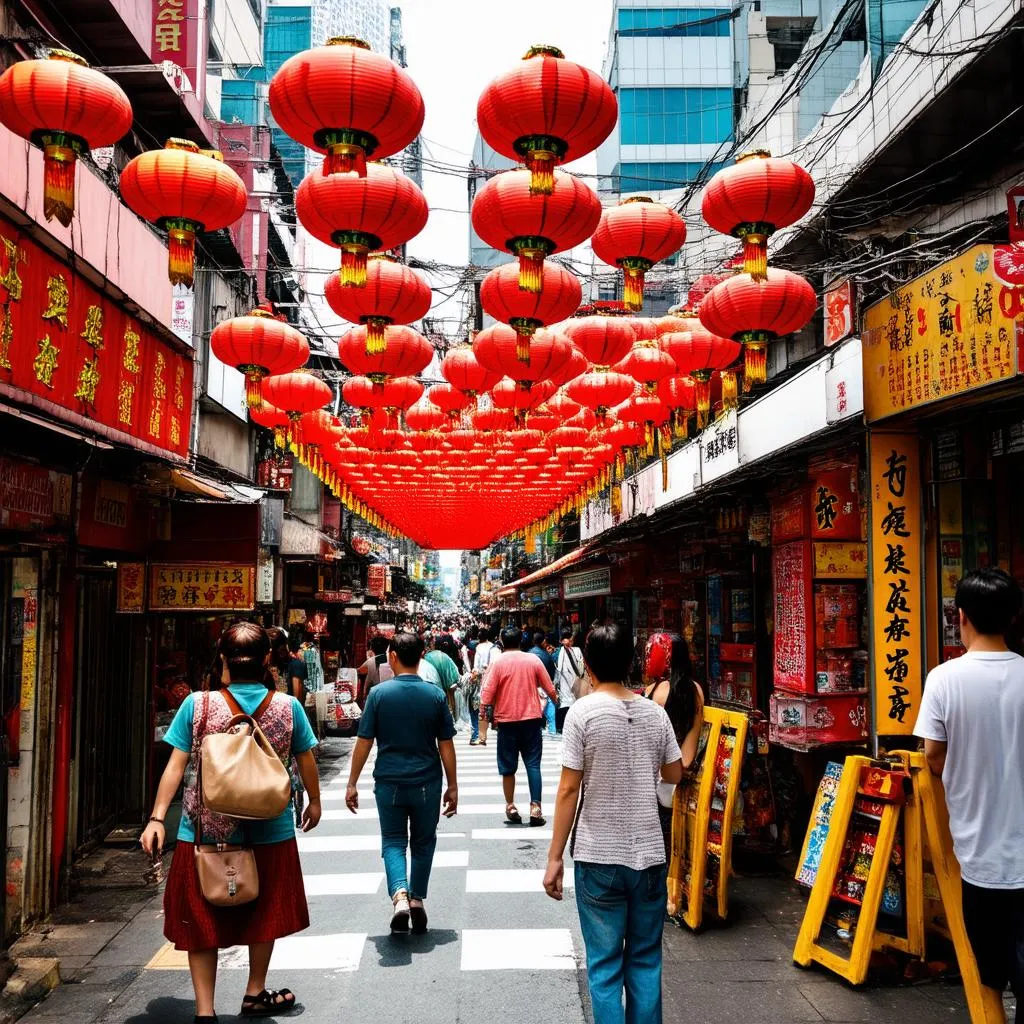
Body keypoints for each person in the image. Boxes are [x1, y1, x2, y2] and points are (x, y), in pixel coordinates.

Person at [141, 622, 321, 1023]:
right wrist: (314, 802)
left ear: (222, 658)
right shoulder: (287, 707)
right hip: (270, 829)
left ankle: (205, 1011)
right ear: (268, 660)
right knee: (265, 912)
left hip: (205, 832)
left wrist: (157, 818)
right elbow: (305, 758)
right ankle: (255, 992)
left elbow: (176, 765)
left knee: (200, 921)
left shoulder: (198, 705)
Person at [544, 623, 683, 1024]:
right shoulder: (654, 714)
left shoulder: (582, 714)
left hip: (598, 856)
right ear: (631, 663)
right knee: (644, 961)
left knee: (604, 967)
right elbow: (674, 773)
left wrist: (554, 858)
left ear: (588, 666)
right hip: (649, 856)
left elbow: (569, 789)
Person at [914, 568, 1024, 1014]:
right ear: (1013, 617)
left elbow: (934, 756)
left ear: (960, 616)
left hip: (979, 857)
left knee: (990, 980)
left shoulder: (944, 679)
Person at [346, 632, 458, 934]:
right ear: (421, 657)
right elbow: (446, 744)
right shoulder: (434, 695)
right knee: (423, 842)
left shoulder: (379, 695)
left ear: (392, 657)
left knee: (393, 842)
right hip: (427, 782)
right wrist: (453, 786)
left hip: (389, 782)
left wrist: (352, 782)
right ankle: (417, 898)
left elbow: (364, 742)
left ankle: (399, 898)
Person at [480, 627, 557, 826]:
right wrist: (556, 701)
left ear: (502, 642)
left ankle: (511, 805)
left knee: (508, 767)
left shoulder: (497, 663)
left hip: (506, 722)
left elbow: (487, 694)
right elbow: (549, 687)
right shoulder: (533, 660)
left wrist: (482, 715)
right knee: (533, 764)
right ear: (522, 641)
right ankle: (536, 807)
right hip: (531, 720)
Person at [643, 632, 705, 860]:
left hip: (651, 786)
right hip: (679, 782)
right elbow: (688, 755)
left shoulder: (653, 692)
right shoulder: (695, 691)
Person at [554, 628, 586, 732]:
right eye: (567, 638)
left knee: (573, 703)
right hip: (563, 683)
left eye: (570, 638)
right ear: (562, 641)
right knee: (565, 704)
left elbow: (581, 666)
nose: (570, 640)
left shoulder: (576, 650)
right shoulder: (558, 652)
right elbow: (556, 668)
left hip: (575, 682)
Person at [528, 631, 559, 738]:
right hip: (544, 685)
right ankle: (552, 729)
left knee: (533, 707)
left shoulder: (528, 654)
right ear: (543, 641)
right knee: (550, 706)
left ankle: (534, 728)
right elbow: (552, 672)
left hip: (531, 685)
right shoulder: (547, 656)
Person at [357, 635, 393, 707]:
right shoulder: (391, 659)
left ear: (372, 649)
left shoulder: (371, 661)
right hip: (390, 694)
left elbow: (358, 671)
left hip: (375, 696)